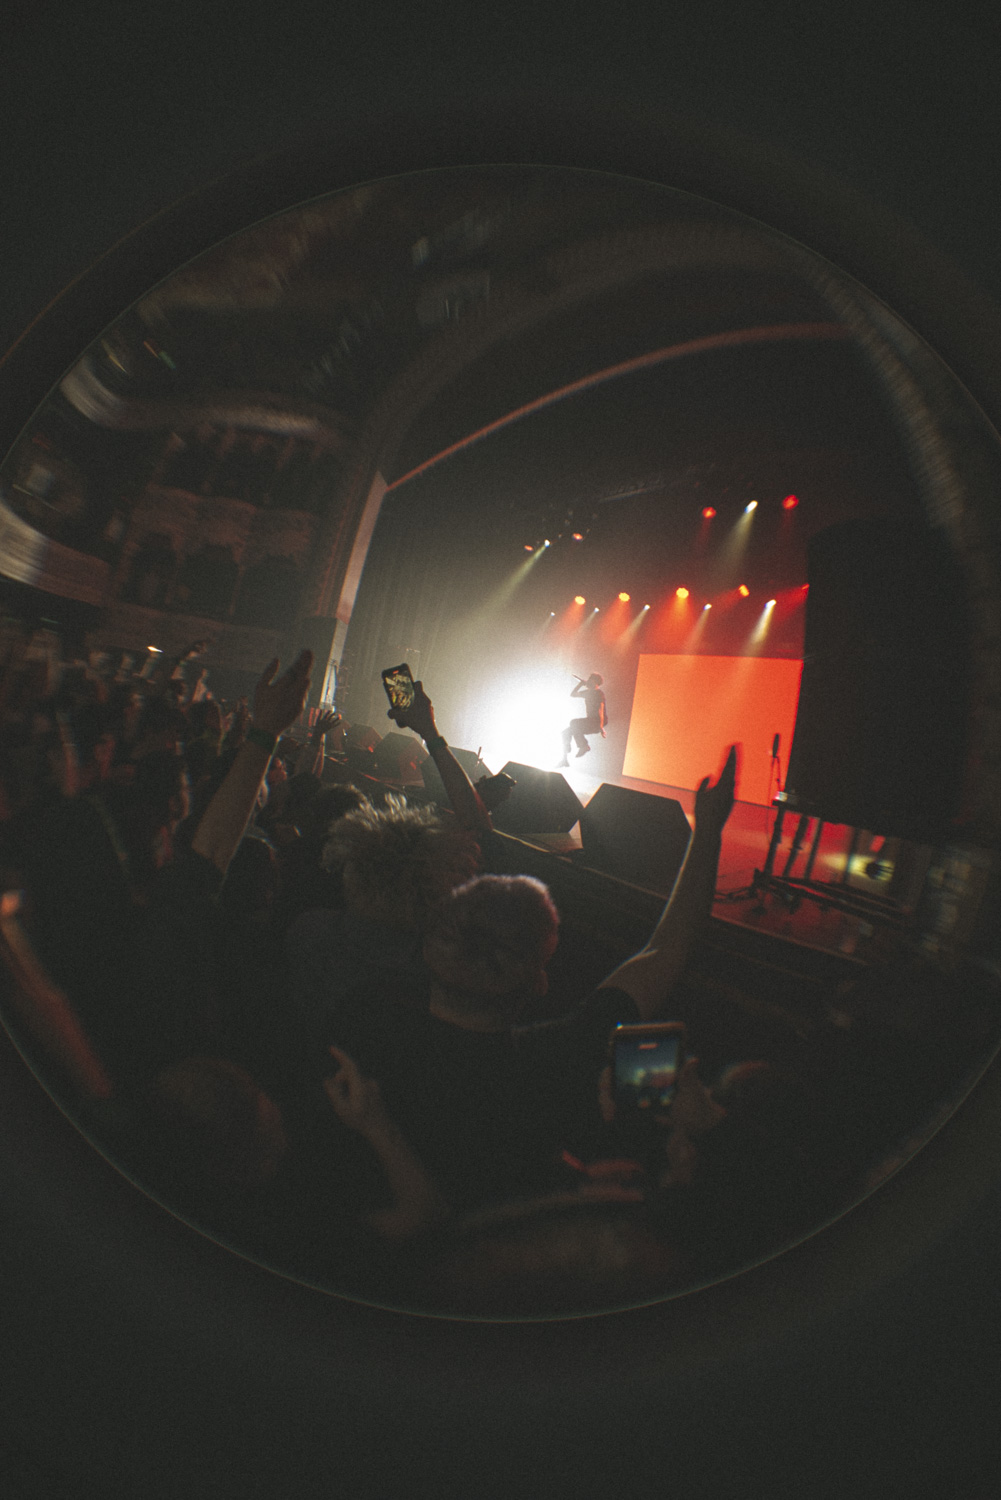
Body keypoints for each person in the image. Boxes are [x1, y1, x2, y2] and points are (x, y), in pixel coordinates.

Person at [557, 673, 607, 765]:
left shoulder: (599, 693)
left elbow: (601, 710)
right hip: (590, 721)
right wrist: (580, 684)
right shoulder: (588, 692)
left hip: (596, 721)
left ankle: (584, 746)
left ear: (595, 682)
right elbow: (573, 694)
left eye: (590, 679)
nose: (588, 681)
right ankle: (564, 760)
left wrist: (600, 726)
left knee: (574, 723)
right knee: (566, 733)